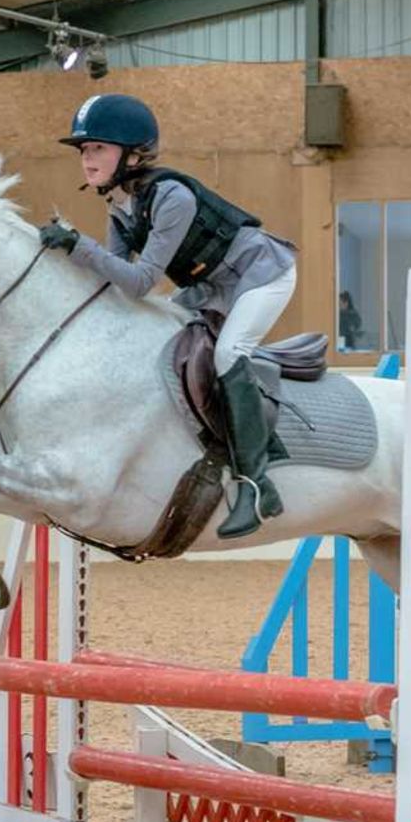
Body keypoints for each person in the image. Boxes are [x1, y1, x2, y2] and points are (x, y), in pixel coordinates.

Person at [36, 93, 297, 539]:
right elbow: (116, 282)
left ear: (133, 153)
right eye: (84, 150)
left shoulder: (171, 196)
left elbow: (140, 282)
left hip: (260, 275)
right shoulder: (120, 204)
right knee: (159, 338)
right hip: (210, 285)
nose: (87, 158)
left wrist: (79, 246)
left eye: (98, 147)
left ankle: (257, 485)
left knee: (229, 353)